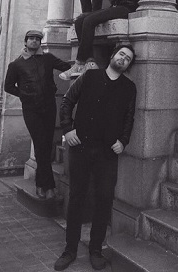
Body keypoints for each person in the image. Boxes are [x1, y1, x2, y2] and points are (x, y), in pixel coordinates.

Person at [54, 44, 137, 271]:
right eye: (121, 54)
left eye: (128, 58)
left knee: (104, 199)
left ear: (128, 65)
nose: (123, 59)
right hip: (81, 146)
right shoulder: (89, 76)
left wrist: (124, 141)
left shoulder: (129, 88)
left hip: (107, 152)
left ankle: (96, 250)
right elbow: (67, 101)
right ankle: (70, 250)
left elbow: (129, 117)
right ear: (112, 55)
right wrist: (67, 128)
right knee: (77, 197)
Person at [4, 30, 71, 199]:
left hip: (49, 107)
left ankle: (41, 184)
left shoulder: (48, 58)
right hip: (31, 109)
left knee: (46, 146)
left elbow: (66, 66)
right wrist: (24, 95)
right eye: (31, 39)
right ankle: (49, 186)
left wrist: (83, 63)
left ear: (40, 42)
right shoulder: (16, 64)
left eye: (37, 39)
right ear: (25, 42)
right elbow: (8, 86)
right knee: (41, 144)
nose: (34, 41)